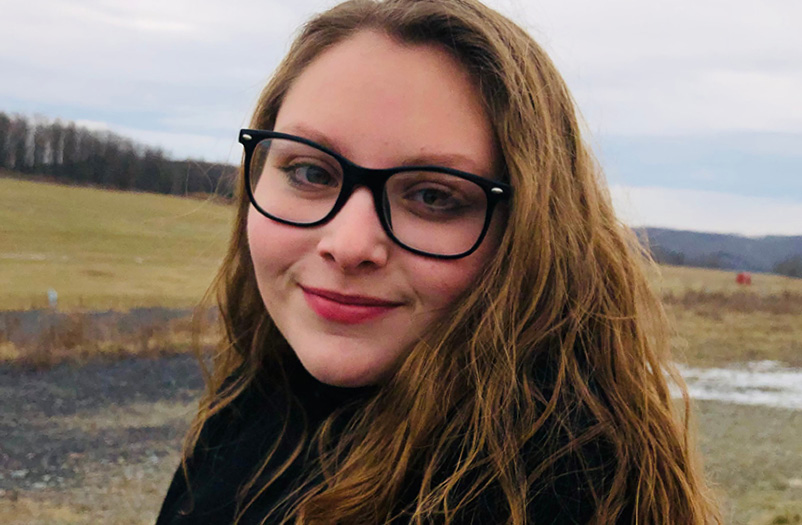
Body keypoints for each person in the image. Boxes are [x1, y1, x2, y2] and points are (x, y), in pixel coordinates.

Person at [157, 0, 721, 523]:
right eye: (310, 172)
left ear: (529, 235)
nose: (350, 245)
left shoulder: (557, 490)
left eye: (434, 196)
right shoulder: (257, 395)